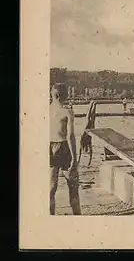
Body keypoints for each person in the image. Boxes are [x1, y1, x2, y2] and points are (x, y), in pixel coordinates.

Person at [50, 83, 81, 215]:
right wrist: (74, 158)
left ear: (52, 95)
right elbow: (70, 136)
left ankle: (50, 217)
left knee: (51, 188)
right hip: (63, 147)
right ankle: (77, 217)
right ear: (65, 95)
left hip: (49, 147)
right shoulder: (67, 111)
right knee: (73, 187)